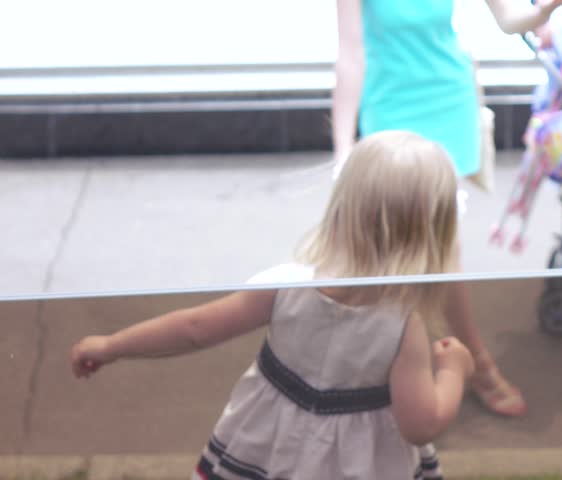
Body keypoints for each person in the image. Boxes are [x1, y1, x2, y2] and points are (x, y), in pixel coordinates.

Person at [70, 131, 475, 480]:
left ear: (342, 206)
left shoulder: (287, 284)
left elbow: (195, 328)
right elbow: (420, 424)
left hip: (266, 448)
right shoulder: (404, 328)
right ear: (432, 235)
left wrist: (112, 345)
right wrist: (455, 372)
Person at [332, 0, 562, 417]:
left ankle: (473, 362)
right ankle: (421, 360)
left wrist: (543, 11)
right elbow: (351, 54)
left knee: (442, 249)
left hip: (448, 101)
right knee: (387, 245)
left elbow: (510, 18)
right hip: (388, 106)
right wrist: (342, 151)